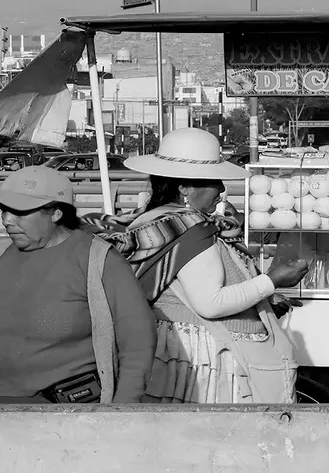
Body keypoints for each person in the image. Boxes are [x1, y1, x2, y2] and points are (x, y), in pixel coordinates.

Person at [86, 128, 310, 404]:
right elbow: (210, 303)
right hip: (202, 363)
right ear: (185, 189)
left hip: (172, 356)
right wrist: (271, 281)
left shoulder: (155, 222)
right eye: (212, 181)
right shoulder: (191, 230)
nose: (221, 190)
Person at [0, 166, 157, 404]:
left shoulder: (100, 261)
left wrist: (122, 411)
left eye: (19, 212)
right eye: (3, 210)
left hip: (69, 419)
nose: (7, 220)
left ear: (56, 213)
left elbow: (138, 342)